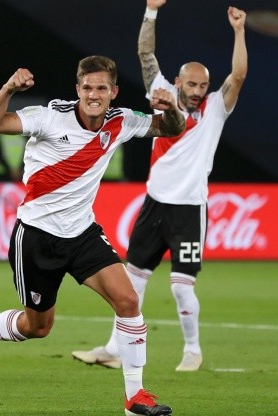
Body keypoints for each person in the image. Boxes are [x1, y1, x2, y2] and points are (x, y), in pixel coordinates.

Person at [0, 56, 185, 416]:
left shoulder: (122, 121)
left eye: (101, 88)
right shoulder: (49, 117)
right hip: (36, 237)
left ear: (113, 92)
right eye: (87, 87)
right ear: (77, 89)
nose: (93, 95)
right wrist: (8, 88)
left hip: (82, 233)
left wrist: (172, 106)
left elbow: (171, 128)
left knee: (128, 301)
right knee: (39, 327)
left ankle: (136, 398)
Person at [72, 2, 248, 374]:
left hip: (189, 209)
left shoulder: (216, 108)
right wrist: (151, 11)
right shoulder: (163, 93)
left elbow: (238, 74)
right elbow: (145, 53)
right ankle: (113, 348)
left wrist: (239, 31)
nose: (199, 90)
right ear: (179, 82)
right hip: (154, 205)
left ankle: (192, 350)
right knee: (131, 282)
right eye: (192, 84)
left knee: (182, 287)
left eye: (203, 84)